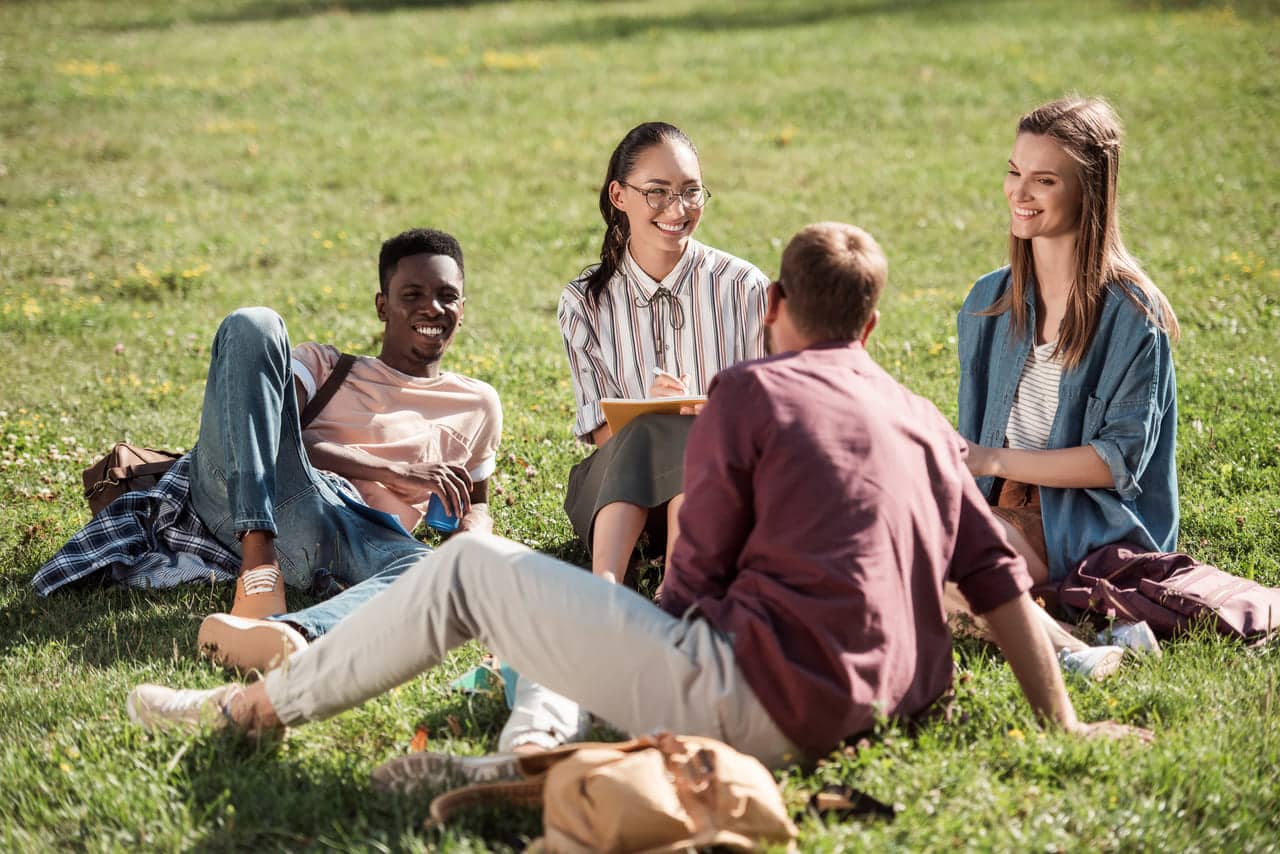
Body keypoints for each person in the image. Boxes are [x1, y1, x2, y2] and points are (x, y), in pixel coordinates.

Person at [127, 222, 1150, 791]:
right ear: (872, 323)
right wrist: (1059, 723)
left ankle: (251, 710)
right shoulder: (923, 420)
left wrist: (653, 643)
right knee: (557, 604)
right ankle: (525, 755)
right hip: (871, 715)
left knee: (474, 570)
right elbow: (994, 578)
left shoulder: (750, 387)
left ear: (771, 310)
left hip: (755, 700)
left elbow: (696, 573)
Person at [35, 228, 502, 674]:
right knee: (253, 322)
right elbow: (265, 432)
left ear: (464, 307)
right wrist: (396, 470)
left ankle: (288, 632)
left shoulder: (477, 402)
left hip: (349, 539)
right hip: (254, 499)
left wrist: (472, 536)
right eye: (413, 294)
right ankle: (258, 564)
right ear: (383, 306)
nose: (433, 308)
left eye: (447, 296)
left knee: (431, 571)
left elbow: (475, 501)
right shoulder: (325, 365)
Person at [954, 96, 1179, 676]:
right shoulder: (987, 301)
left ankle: (1070, 649)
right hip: (997, 502)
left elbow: (1116, 462)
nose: (1018, 193)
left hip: (1087, 519)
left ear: (1089, 191)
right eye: (1013, 172)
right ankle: (1083, 630)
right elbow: (977, 442)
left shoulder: (1133, 314)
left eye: (1044, 180)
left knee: (938, 559)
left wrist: (988, 458)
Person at [558, 121, 768, 587]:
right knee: (665, 424)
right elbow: (602, 440)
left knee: (698, 432)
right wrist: (655, 415)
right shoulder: (583, 302)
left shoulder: (745, 289)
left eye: (691, 191)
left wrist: (717, 417)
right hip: (620, 496)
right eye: (657, 192)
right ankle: (609, 588)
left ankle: (678, 585)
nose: (678, 209)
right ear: (619, 196)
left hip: (724, 491)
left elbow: (773, 421)